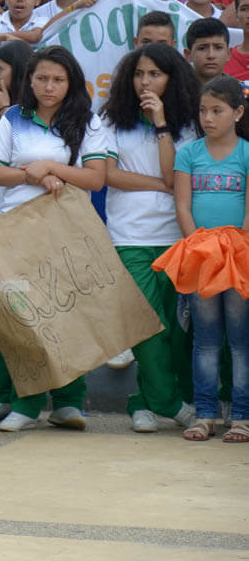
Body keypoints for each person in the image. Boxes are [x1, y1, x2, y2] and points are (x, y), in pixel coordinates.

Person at [0, 47, 108, 433]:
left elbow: (96, 178)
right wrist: (33, 175)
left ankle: (69, 402)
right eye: (41, 79)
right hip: (17, 228)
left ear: (71, 83)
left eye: (57, 80)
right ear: (30, 80)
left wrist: (52, 167)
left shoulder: (87, 121)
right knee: (23, 316)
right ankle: (27, 402)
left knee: (68, 314)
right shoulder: (14, 118)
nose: (48, 87)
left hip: (66, 228)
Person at [99, 44, 201, 434]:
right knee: (146, 325)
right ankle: (170, 403)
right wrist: (160, 185)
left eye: (155, 74)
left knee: (173, 330)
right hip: (129, 236)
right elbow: (108, 174)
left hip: (176, 235)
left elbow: (175, 175)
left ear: (172, 79)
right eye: (139, 74)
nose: (145, 82)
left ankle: (142, 402)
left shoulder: (189, 122)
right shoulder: (112, 119)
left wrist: (160, 123)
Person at [172, 76, 249, 443]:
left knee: (240, 341)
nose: (207, 118)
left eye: (217, 111)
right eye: (203, 111)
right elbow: (183, 207)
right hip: (201, 256)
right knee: (204, 340)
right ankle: (204, 414)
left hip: (238, 258)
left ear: (238, 113)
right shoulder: (188, 154)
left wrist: (235, 250)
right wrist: (199, 247)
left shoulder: (246, 153)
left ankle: (242, 416)